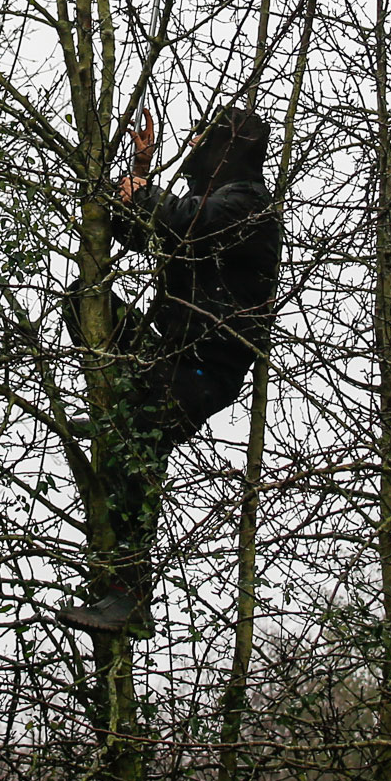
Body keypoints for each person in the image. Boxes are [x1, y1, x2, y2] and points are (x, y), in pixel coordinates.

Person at [56, 103, 282, 637]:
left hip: (206, 367)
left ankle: (129, 598)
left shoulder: (250, 208)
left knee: (139, 445)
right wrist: (136, 175)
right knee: (85, 301)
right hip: (169, 353)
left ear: (227, 149)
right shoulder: (212, 203)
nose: (195, 146)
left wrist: (146, 192)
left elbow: (188, 224)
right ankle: (121, 408)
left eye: (205, 139)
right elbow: (150, 233)